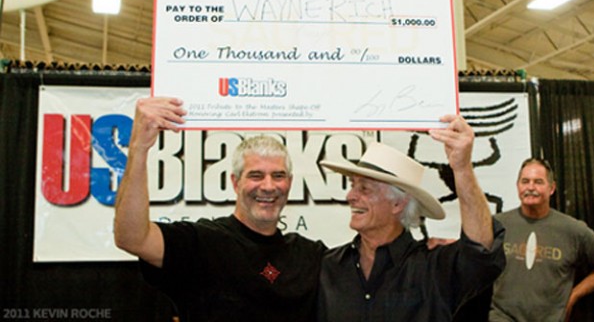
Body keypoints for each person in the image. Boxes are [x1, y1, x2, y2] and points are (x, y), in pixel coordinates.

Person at [113, 97, 326, 322]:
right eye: (256, 175)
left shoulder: (311, 256)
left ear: (290, 183)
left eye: (278, 176)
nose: (268, 186)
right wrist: (139, 147)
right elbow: (131, 238)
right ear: (235, 183)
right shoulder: (202, 243)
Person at [317, 114, 506, 321]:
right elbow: (275, 273)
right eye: (353, 186)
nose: (350, 196)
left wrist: (462, 168)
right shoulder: (329, 265)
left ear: (398, 203)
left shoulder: (432, 268)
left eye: (364, 188)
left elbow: (482, 252)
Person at [489, 158, 594, 322]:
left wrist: (574, 296)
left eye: (538, 182)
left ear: (552, 188)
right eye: (525, 181)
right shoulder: (497, 225)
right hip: (502, 317)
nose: (530, 187)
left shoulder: (574, 230)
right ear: (518, 185)